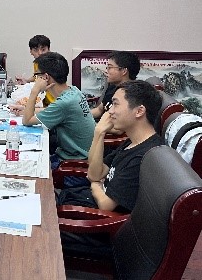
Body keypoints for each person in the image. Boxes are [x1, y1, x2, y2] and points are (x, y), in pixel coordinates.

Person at [58, 80, 163, 255]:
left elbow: (106, 204)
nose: (110, 111)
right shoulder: (132, 142)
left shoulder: (145, 155)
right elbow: (94, 173)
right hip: (92, 208)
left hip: (104, 230)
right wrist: (99, 132)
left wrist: (95, 185)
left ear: (139, 111)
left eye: (115, 104)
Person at [21, 52, 95, 170]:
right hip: (82, 156)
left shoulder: (64, 103)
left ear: (45, 77)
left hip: (73, 164)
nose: (36, 80)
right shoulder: (73, 91)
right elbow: (53, 110)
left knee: (26, 166)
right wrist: (25, 109)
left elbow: (27, 120)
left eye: (37, 76)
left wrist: (34, 91)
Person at [90, 51, 140, 120]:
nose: (106, 71)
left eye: (110, 67)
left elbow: (123, 124)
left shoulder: (133, 95)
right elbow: (99, 110)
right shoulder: (112, 87)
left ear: (124, 71)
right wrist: (81, 116)